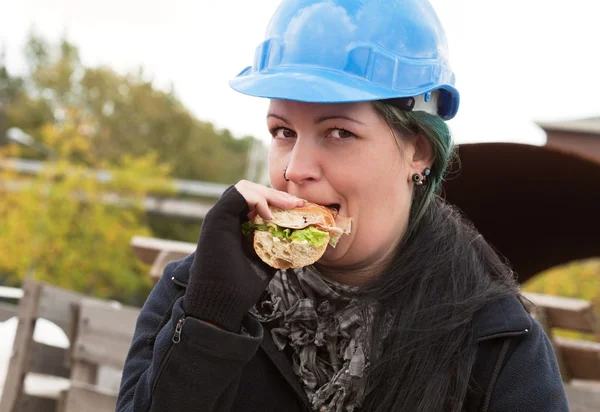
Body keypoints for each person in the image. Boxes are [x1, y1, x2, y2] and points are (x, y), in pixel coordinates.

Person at [116, 1, 569, 411]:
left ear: (419, 151)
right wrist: (209, 321)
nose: (295, 169)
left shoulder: (497, 343)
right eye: (282, 131)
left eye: (339, 133)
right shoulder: (192, 295)